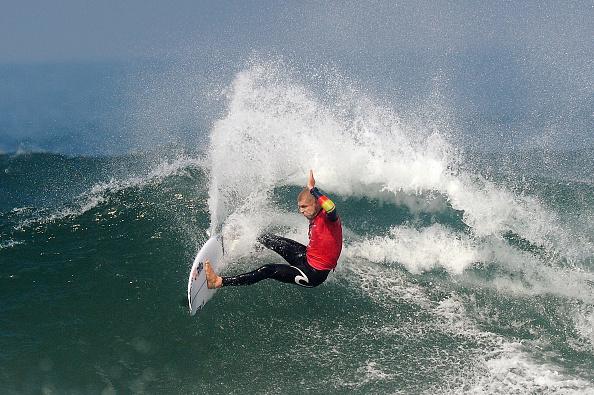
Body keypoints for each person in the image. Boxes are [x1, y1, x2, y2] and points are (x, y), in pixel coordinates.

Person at [205, 170, 342, 289]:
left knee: (268, 270)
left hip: (313, 274)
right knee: (268, 238)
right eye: (299, 207)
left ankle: (218, 282)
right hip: (307, 257)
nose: (300, 211)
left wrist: (312, 189)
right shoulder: (314, 215)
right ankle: (245, 245)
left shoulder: (330, 219)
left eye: (304, 207)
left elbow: (331, 207)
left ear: (317, 203)